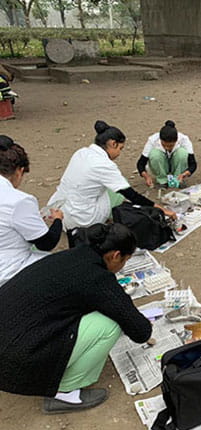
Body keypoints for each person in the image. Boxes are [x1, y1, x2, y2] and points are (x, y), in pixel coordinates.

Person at [0, 223, 152, 413]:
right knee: (110, 325)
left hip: (9, 331)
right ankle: (65, 392)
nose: (123, 266)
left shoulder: (71, 255)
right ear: (115, 255)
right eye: (125, 260)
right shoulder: (96, 277)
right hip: (13, 361)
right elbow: (141, 332)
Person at [49, 120, 176, 235]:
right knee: (120, 187)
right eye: (120, 148)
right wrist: (162, 210)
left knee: (108, 185)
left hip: (61, 214)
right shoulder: (104, 165)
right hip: (83, 219)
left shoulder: (81, 152)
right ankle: (111, 216)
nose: (119, 153)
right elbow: (132, 195)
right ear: (113, 144)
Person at [0, 135, 63, 287]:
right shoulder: (19, 201)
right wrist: (57, 220)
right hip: (8, 270)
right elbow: (46, 243)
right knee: (65, 266)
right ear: (19, 171)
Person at [137, 120, 197, 188]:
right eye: (164, 145)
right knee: (155, 154)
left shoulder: (184, 139)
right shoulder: (153, 140)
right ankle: (162, 180)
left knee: (182, 153)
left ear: (176, 140)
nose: (167, 148)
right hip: (161, 165)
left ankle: (178, 178)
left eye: (171, 145)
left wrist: (185, 174)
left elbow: (193, 164)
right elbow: (141, 164)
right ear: (160, 139)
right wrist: (147, 177)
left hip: (176, 164)